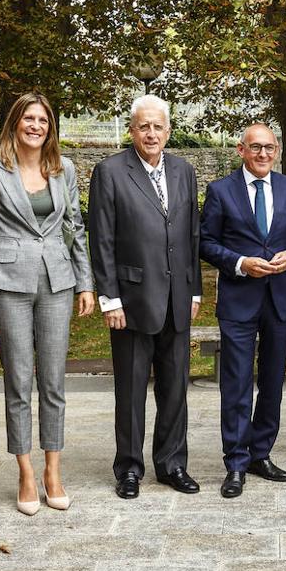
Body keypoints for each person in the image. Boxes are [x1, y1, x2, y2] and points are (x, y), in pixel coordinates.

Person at [0, 93, 96, 514]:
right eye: (29, 118)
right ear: (15, 123)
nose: (36, 125)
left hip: (58, 281)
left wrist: (86, 283)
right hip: (8, 282)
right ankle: (25, 471)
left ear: (51, 127)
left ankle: (53, 469)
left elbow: (74, 228)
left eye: (43, 120)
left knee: (54, 381)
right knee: (19, 378)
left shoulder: (64, 170)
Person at [88, 94, 203, 499]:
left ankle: (172, 464)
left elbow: (192, 234)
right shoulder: (110, 172)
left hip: (177, 298)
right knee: (132, 390)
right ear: (131, 130)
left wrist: (195, 289)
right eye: (143, 126)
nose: (151, 133)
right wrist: (109, 298)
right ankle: (129, 469)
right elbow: (100, 239)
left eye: (157, 126)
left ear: (168, 131)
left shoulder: (184, 171)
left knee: (175, 388)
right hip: (132, 300)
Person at [199, 124, 286, 498]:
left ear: (277, 149)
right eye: (255, 147)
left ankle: (260, 453)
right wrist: (239, 262)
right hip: (238, 299)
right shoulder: (220, 190)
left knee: (272, 383)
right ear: (241, 150)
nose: (263, 154)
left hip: (280, 297)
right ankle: (235, 462)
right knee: (236, 384)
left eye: (269, 147)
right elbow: (206, 242)